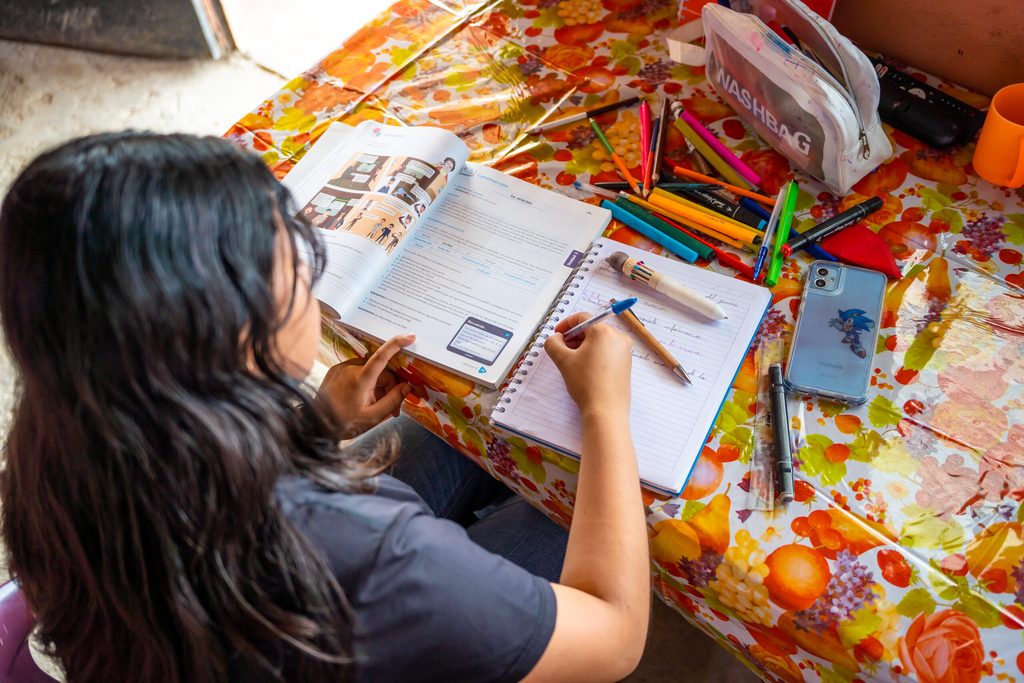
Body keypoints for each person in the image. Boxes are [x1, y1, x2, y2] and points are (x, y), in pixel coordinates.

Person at [0, 132, 649, 683]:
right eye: (299, 265)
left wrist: (314, 426)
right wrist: (604, 409)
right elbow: (616, 636)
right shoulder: (366, 555)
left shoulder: (52, 436)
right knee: (562, 507)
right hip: (323, 603)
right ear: (234, 332)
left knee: (442, 440)